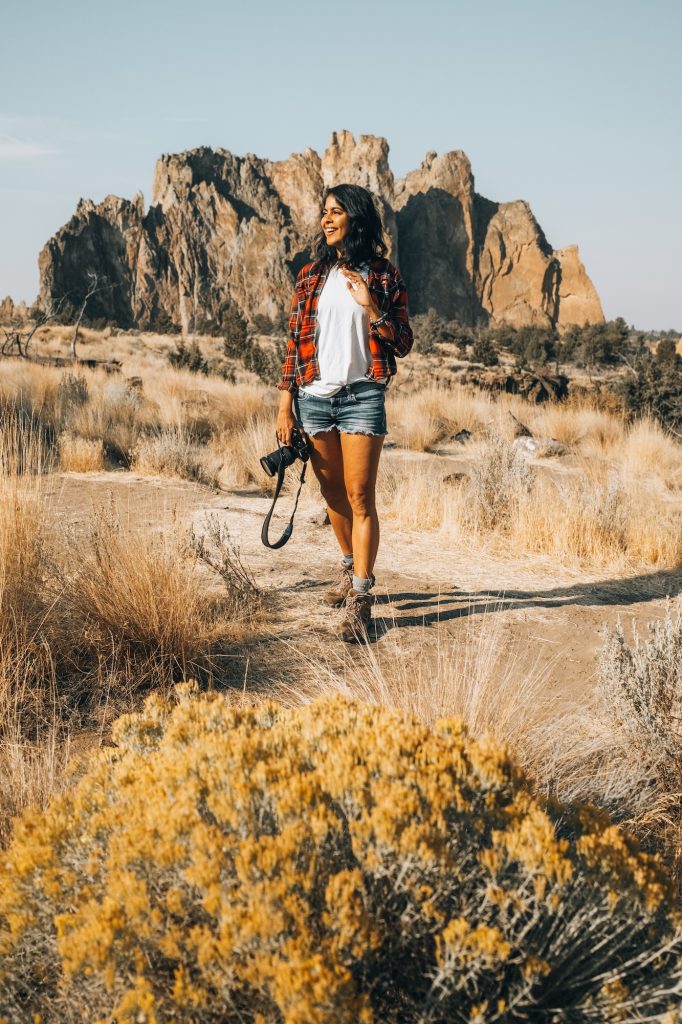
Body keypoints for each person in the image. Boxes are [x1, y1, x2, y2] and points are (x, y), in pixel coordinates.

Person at [276, 183, 413, 641]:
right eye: (324, 212)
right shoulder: (310, 275)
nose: (327, 219)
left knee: (360, 499)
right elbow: (294, 344)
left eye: (336, 211)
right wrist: (285, 404)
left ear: (356, 217)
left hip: (362, 395)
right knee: (332, 496)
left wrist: (371, 305)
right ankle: (348, 566)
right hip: (314, 397)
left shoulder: (384, 275)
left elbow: (404, 342)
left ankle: (361, 597)